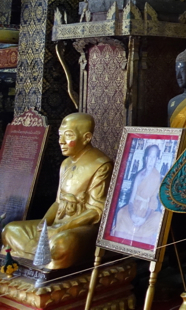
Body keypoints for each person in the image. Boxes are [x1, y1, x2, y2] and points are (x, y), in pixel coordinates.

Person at [2, 114, 111, 269]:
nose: (61, 141)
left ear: (86, 138)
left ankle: (39, 256)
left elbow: (96, 211)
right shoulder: (65, 164)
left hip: (81, 228)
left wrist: (61, 229)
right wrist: (44, 223)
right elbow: (58, 202)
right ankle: (36, 258)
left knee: (60, 245)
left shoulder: (101, 164)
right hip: (58, 223)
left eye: (68, 136)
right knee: (9, 231)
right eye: (60, 136)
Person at [110, 145, 164, 246]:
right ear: (145, 158)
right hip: (135, 207)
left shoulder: (156, 176)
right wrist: (132, 214)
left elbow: (153, 202)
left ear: (156, 160)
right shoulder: (139, 175)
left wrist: (144, 218)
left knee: (157, 218)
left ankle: (141, 242)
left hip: (148, 210)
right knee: (121, 213)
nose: (151, 161)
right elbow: (131, 199)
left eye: (154, 158)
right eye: (149, 157)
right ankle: (121, 245)